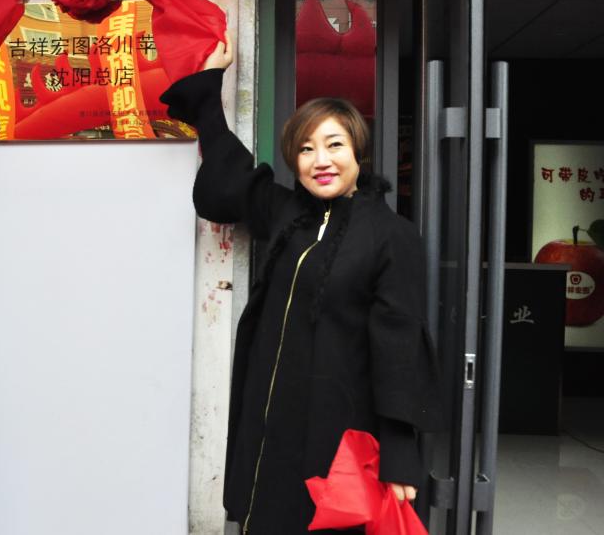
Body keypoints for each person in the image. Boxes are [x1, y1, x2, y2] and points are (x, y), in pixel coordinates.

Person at [160, 38, 441, 534]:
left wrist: (400, 451)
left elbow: (400, 345)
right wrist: (209, 85)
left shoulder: (390, 235)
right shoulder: (288, 213)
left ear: (358, 152)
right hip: (273, 418)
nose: (320, 160)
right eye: (306, 149)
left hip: (341, 425)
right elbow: (226, 183)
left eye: (334, 145)